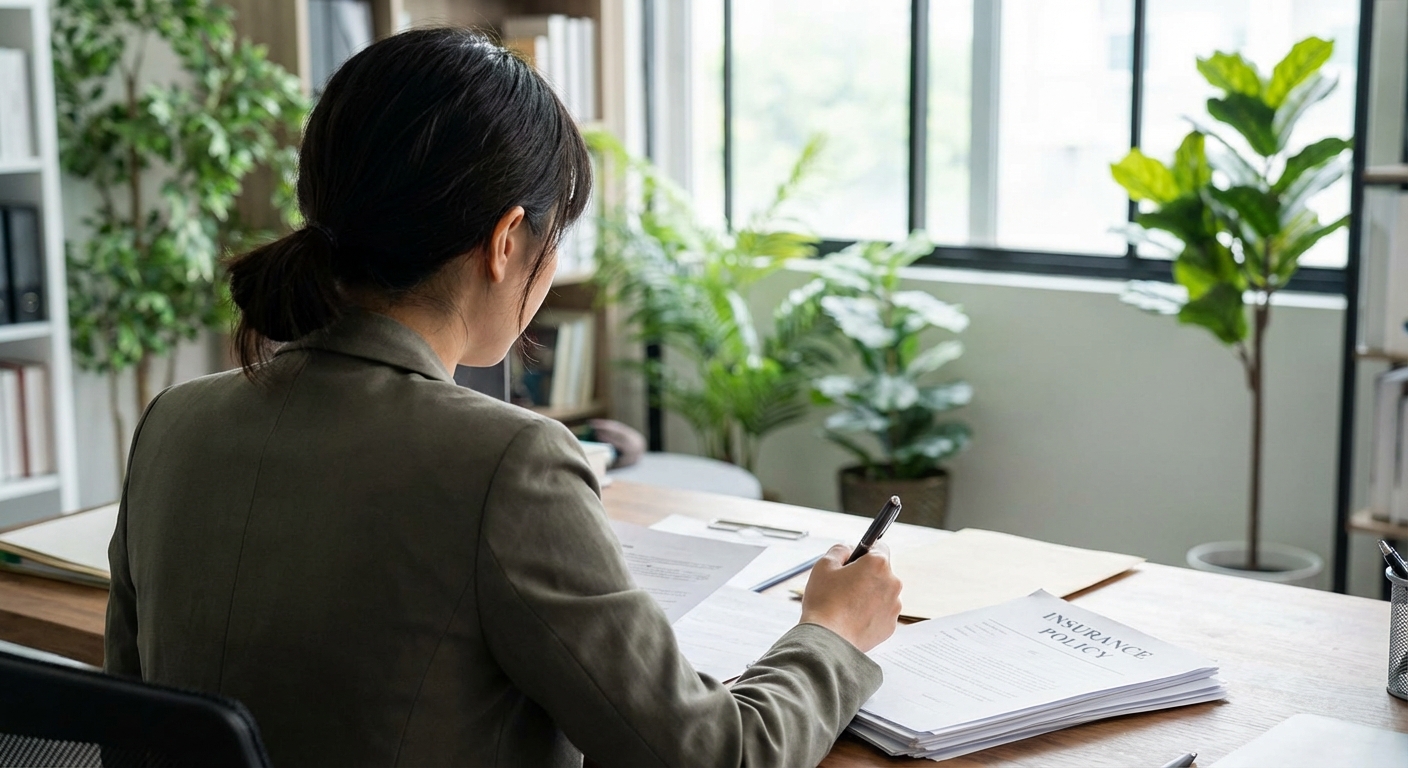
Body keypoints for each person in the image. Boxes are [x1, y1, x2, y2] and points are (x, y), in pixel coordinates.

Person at [104, 27, 902, 768]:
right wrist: (831, 634)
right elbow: (711, 755)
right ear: (507, 240)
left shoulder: (173, 423)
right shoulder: (508, 462)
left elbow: (129, 724)